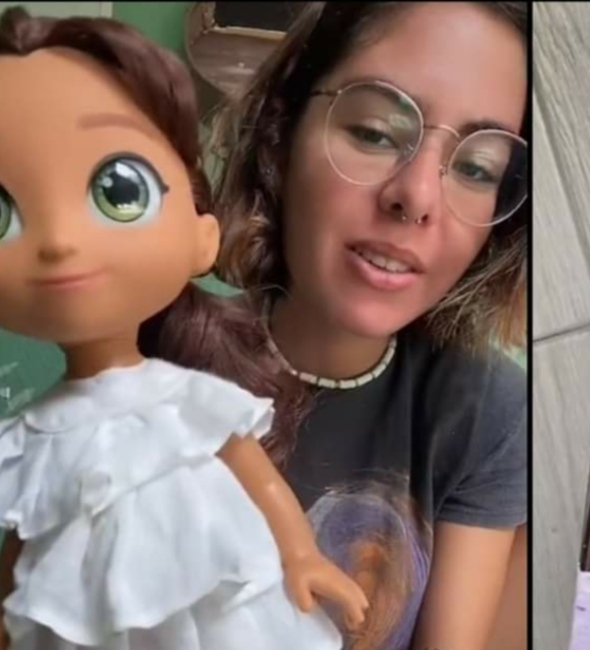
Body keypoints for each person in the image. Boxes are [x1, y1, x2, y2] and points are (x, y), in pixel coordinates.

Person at [141, 3, 528, 649]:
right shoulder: (154, 352)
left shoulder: (486, 409)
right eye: (375, 132)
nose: (417, 197)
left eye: (476, 168)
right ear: (281, 133)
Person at [0, 8, 366, 649]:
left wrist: (301, 555)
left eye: (120, 190)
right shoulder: (32, 439)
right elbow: (28, 541)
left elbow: (259, 479)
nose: (59, 243)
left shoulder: (184, 399)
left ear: (202, 234)